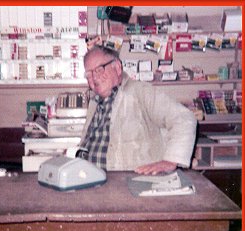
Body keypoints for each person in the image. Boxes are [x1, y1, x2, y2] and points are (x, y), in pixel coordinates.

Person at [77, 44, 197, 175]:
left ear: (117, 67)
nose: (94, 77)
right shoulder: (94, 103)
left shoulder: (140, 92)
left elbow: (184, 118)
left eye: (99, 69)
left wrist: (171, 160)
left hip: (130, 184)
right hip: (91, 180)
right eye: (89, 74)